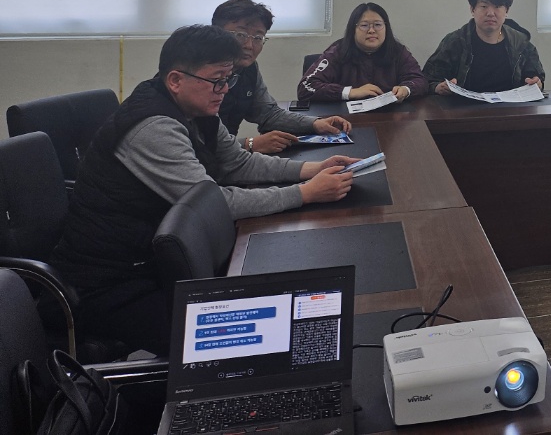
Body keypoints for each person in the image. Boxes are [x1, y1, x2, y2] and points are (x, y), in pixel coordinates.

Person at [52, 25, 355, 354]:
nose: (224, 90)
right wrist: (305, 193)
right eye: (216, 80)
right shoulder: (153, 127)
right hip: (109, 283)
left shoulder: (196, 108)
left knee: (281, 300)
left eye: (228, 79)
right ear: (175, 80)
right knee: (246, 340)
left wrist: (311, 169)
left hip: (157, 260)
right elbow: (212, 205)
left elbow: (237, 163)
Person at [212, 0, 351, 152]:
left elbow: (268, 114)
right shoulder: (198, 73)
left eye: (258, 37)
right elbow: (196, 142)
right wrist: (249, 144)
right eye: (240, 35)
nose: (249, 45)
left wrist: (315, 123)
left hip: (228, 157)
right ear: (216, 32)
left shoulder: (248, 69)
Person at [424, 0, 544, 95]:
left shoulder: (521, 43)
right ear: (472, 10)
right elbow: (428, 79)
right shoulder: (455, 41)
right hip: (464, 106)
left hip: (510, 106)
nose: (490, 13)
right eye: (484, 6)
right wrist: (438, 87)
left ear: (506, 11)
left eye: (497, 6)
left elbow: (537, 78)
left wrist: (537, 83)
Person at [298, 2, 428, 101]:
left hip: (390, 118)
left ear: (386, 27)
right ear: (353, 29)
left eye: (378, 25)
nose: (371, 30)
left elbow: (420, 81)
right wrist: (350, 92)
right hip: (345, 119)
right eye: (364, 25)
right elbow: (306, 87)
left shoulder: (398, 51)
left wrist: (406, 89)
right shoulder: (337, 51)